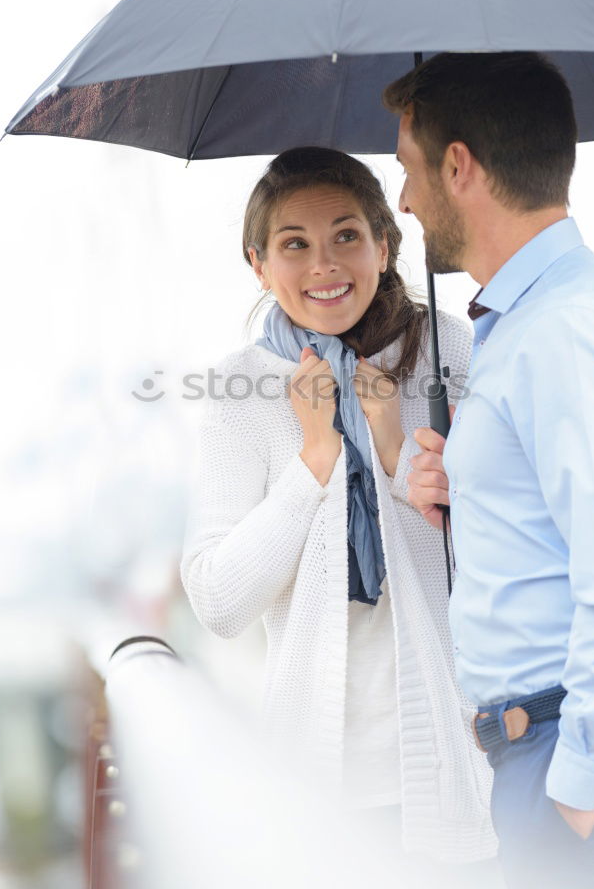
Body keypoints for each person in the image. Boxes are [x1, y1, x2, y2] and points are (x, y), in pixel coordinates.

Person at [181, 147, 498, 874]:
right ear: (259, 265)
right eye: (294, 244)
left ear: (385, 247)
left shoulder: (448, 350)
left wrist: (392, 452)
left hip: (457, 760)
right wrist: (314, 458)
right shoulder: (239, 390)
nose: (324, 265)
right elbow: (219, 602)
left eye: (346, 236)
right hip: (314, 782)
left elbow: (497, 549)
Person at [384, 51, 594, 889]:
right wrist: (475, 494)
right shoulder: (532, 325)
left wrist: (576, 785)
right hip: (552, 757)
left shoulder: (559, 333)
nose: (404, 201)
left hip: (577, 768)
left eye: (408, 171)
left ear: (458, 166)